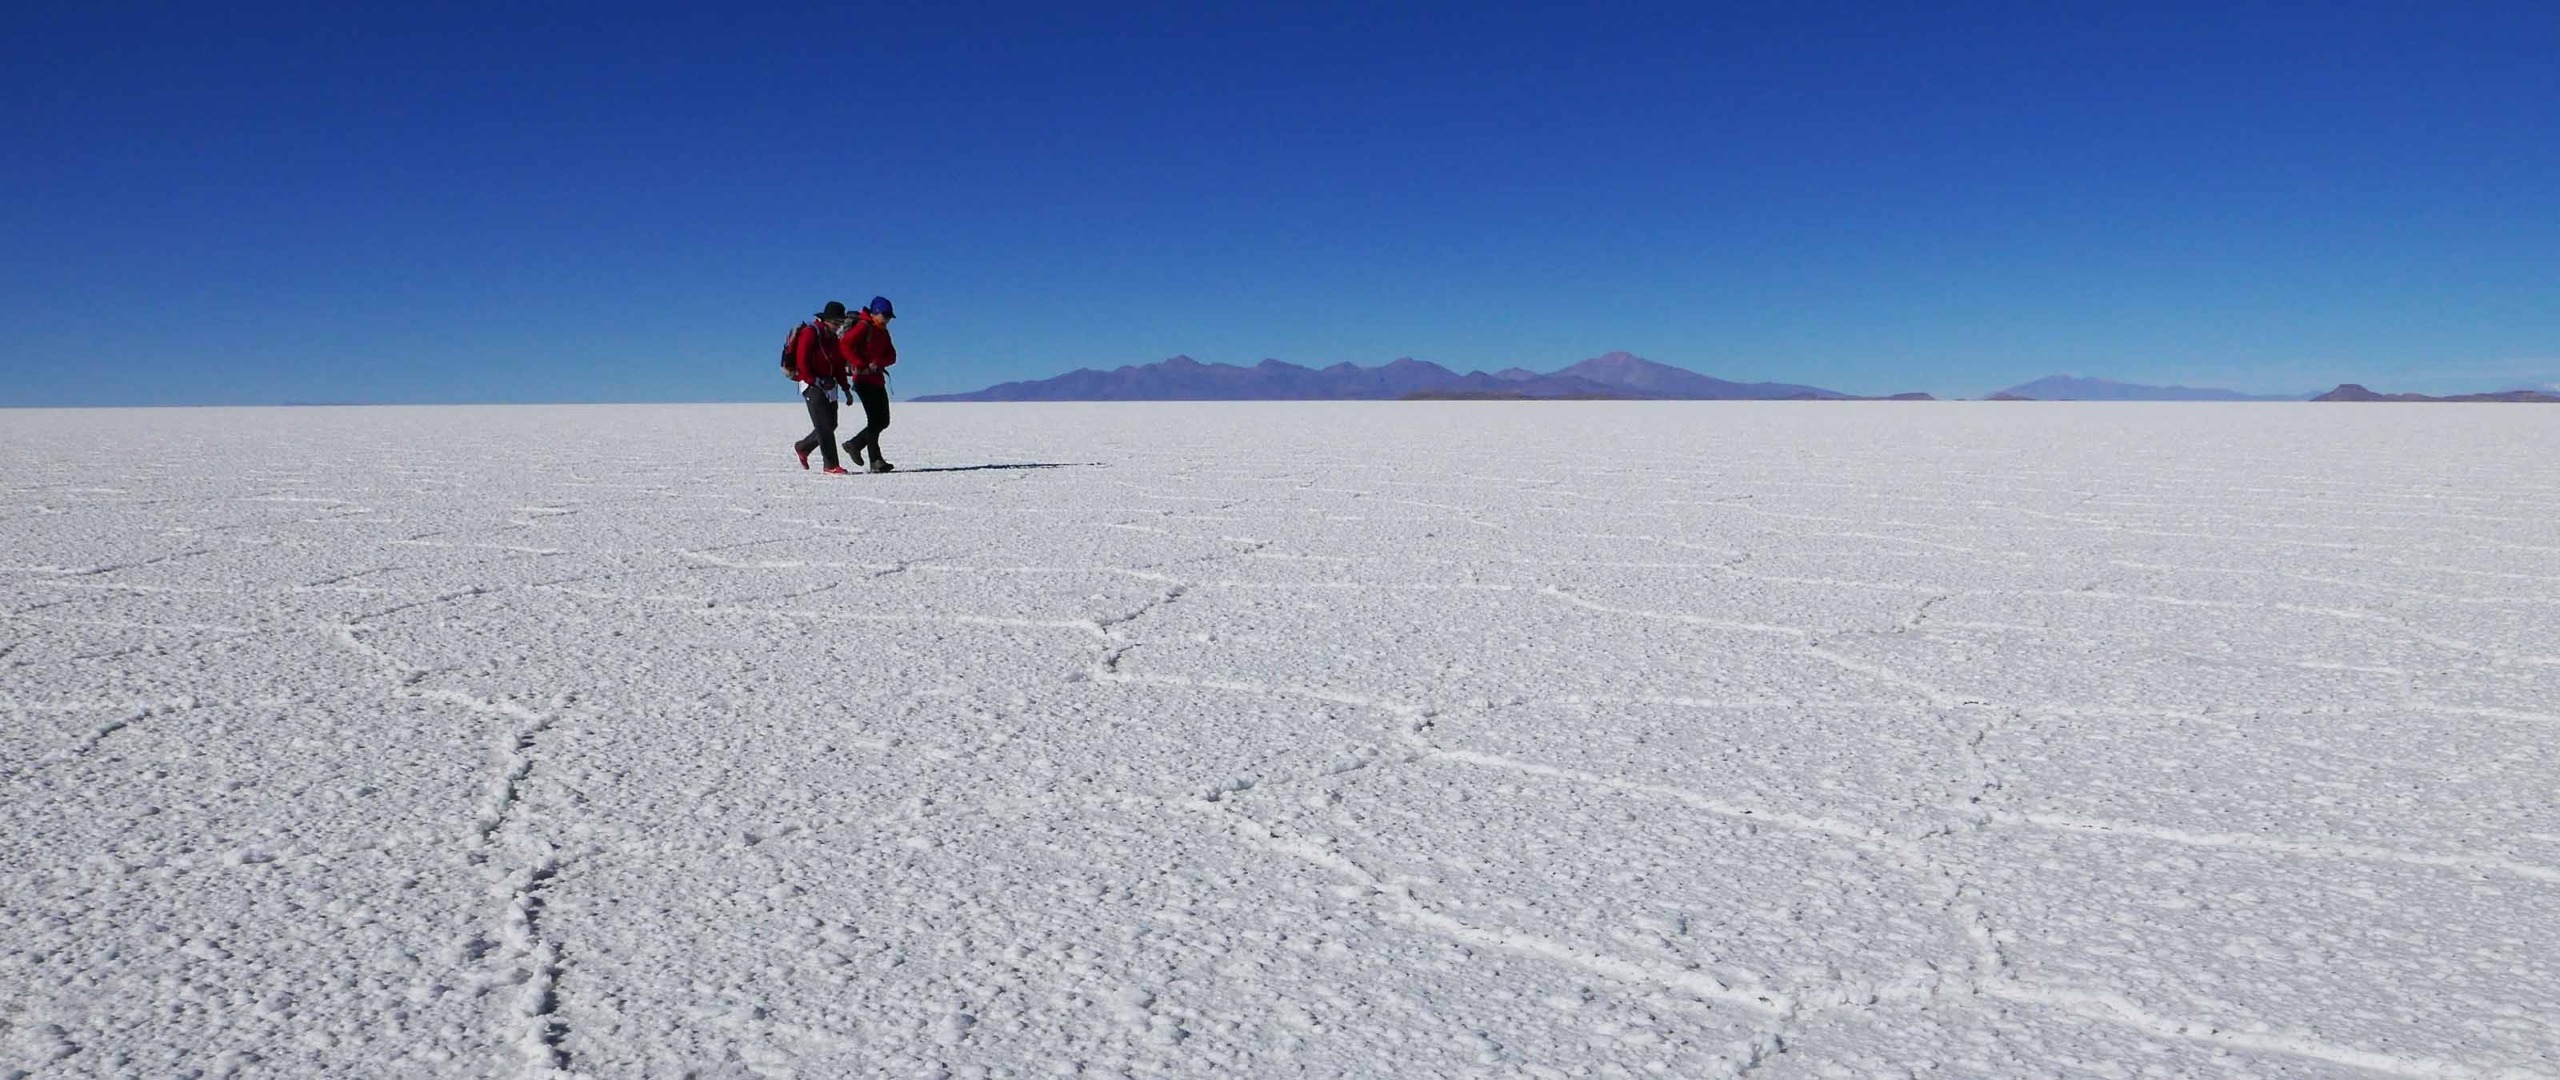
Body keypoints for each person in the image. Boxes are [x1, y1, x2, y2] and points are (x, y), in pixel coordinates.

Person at [786, 301, 857, 474]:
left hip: (829, 385)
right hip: (812, 384)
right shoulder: (811, 332)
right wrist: (812, 381)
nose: (838, 326)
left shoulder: (833, 338)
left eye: (840, 323)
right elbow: (802, 360)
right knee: (824, 425)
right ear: (826, 319)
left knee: (831, 424)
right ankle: (831, 465)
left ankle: (803, 447)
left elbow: (839, 365)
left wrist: (846, 388)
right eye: (835, 323)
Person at [840, 296, 899, 472]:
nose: (887, 319)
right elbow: (845, 344)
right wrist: (860, 364)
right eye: (885, 315)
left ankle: (855, 444)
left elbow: (892, 356)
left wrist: (877, 363)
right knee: (875, 420)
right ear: (875, 313)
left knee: (883, 421)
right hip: (863, 380)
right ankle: (875, 460)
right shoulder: (863, 327)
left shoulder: (883, 332)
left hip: (877, 379)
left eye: (889, 316)